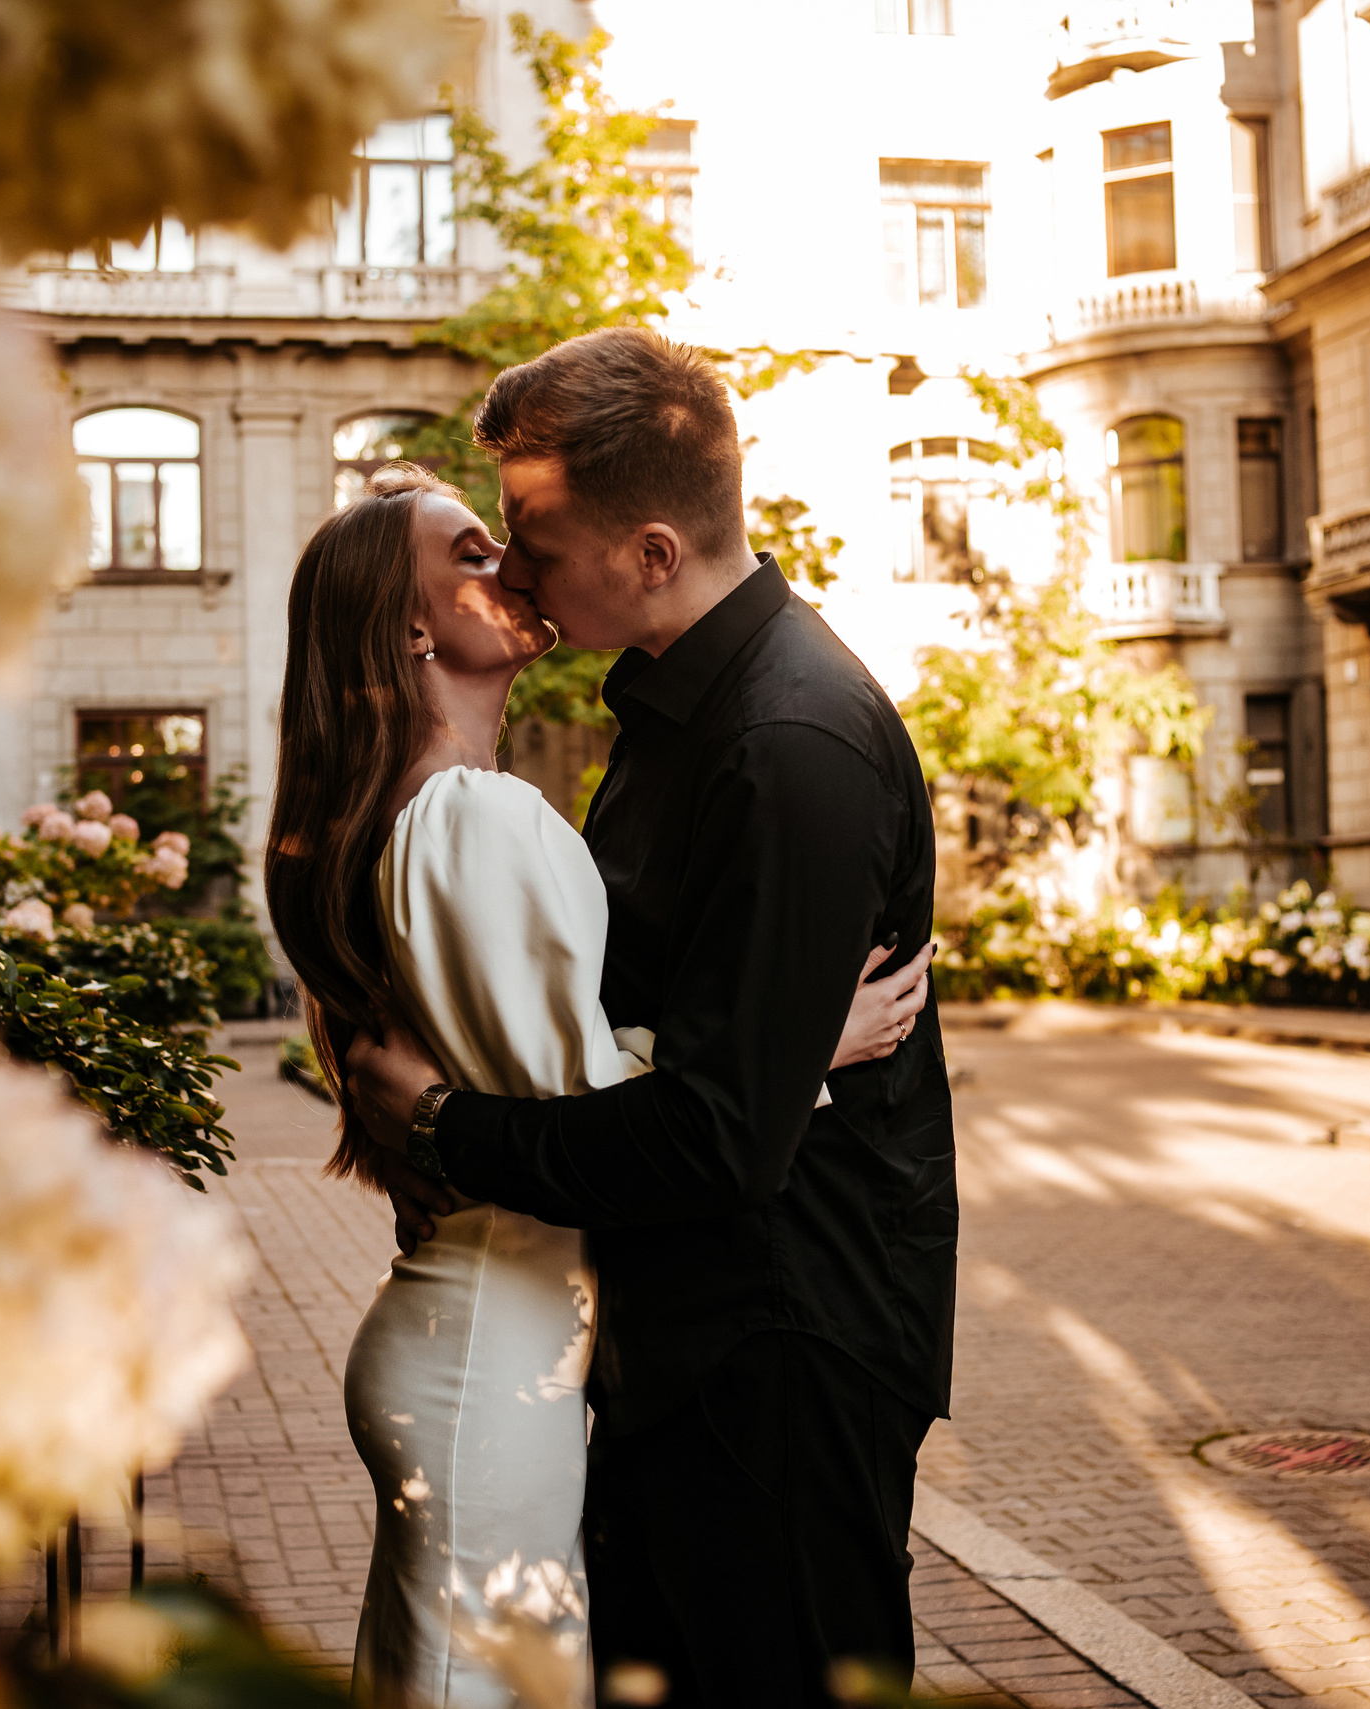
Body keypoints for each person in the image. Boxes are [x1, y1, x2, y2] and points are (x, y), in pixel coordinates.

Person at [338, 328, 959, 1707]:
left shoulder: (789, 742)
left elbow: (724, 1139)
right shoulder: (677, 720)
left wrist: (450, 1126)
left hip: (785, 1359)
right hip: (680, 1342)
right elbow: (619, 1022)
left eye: (537, 543)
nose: (518, 571)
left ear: (655, 553)